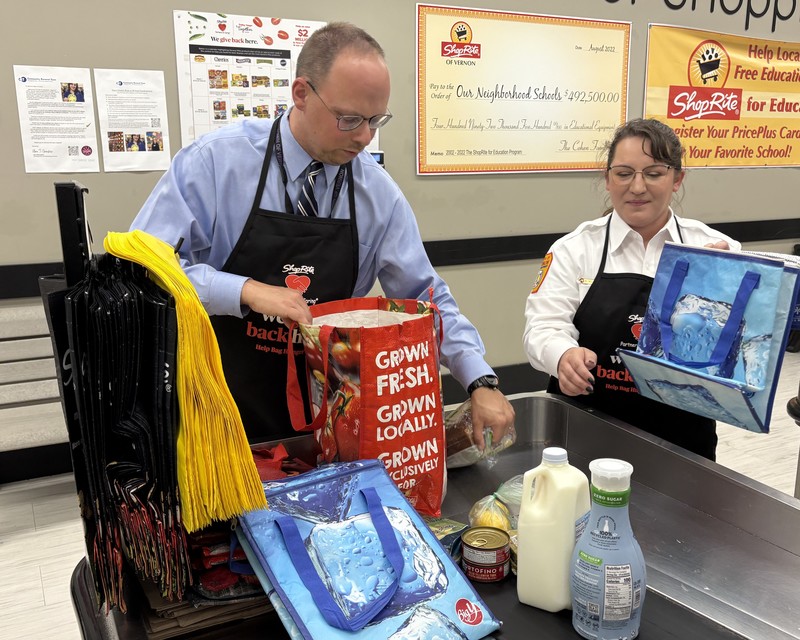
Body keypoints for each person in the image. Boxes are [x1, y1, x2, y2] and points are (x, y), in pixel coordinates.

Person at [131, 21, 514, 448]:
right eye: (348, 119)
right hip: (212, 413)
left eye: (375, 120)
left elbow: (426, 295)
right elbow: (142, 268)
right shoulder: (215, 165)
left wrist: (479, 378)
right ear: (301, 94)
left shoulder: (377, 194)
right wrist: (244, 290)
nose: (365, 137)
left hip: (327, 419)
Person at [522, 118, 740, 460]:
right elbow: (542, 326)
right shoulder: (574, 249)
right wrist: (562, 356)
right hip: (585, 431)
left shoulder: (717, 250)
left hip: (681, 442)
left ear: (677, 179)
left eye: (653, 173)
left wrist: (720, 287)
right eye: (624, 173)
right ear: (607, 179)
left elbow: (744, 351)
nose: (637, 187)